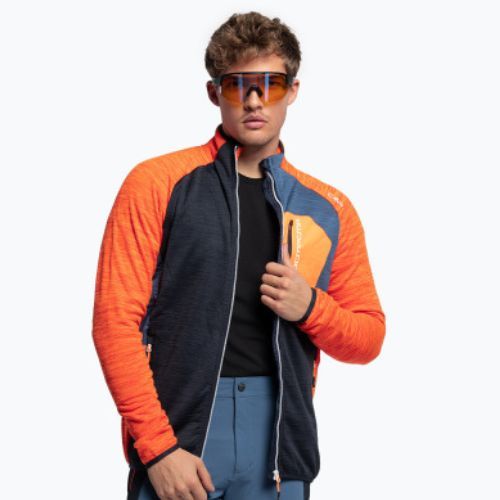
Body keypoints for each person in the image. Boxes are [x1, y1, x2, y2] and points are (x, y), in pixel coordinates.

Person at [92, 11, 386, 500]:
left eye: (270, 84)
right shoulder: (157, 183)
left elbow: (368, 337)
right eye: (237, 86)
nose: (254, 100)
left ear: (293, 91)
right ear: (214, 93)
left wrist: (311, 308)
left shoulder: (327, 208)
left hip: (280, 443)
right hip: (179, 434)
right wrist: (158, 449)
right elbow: (114, 322)